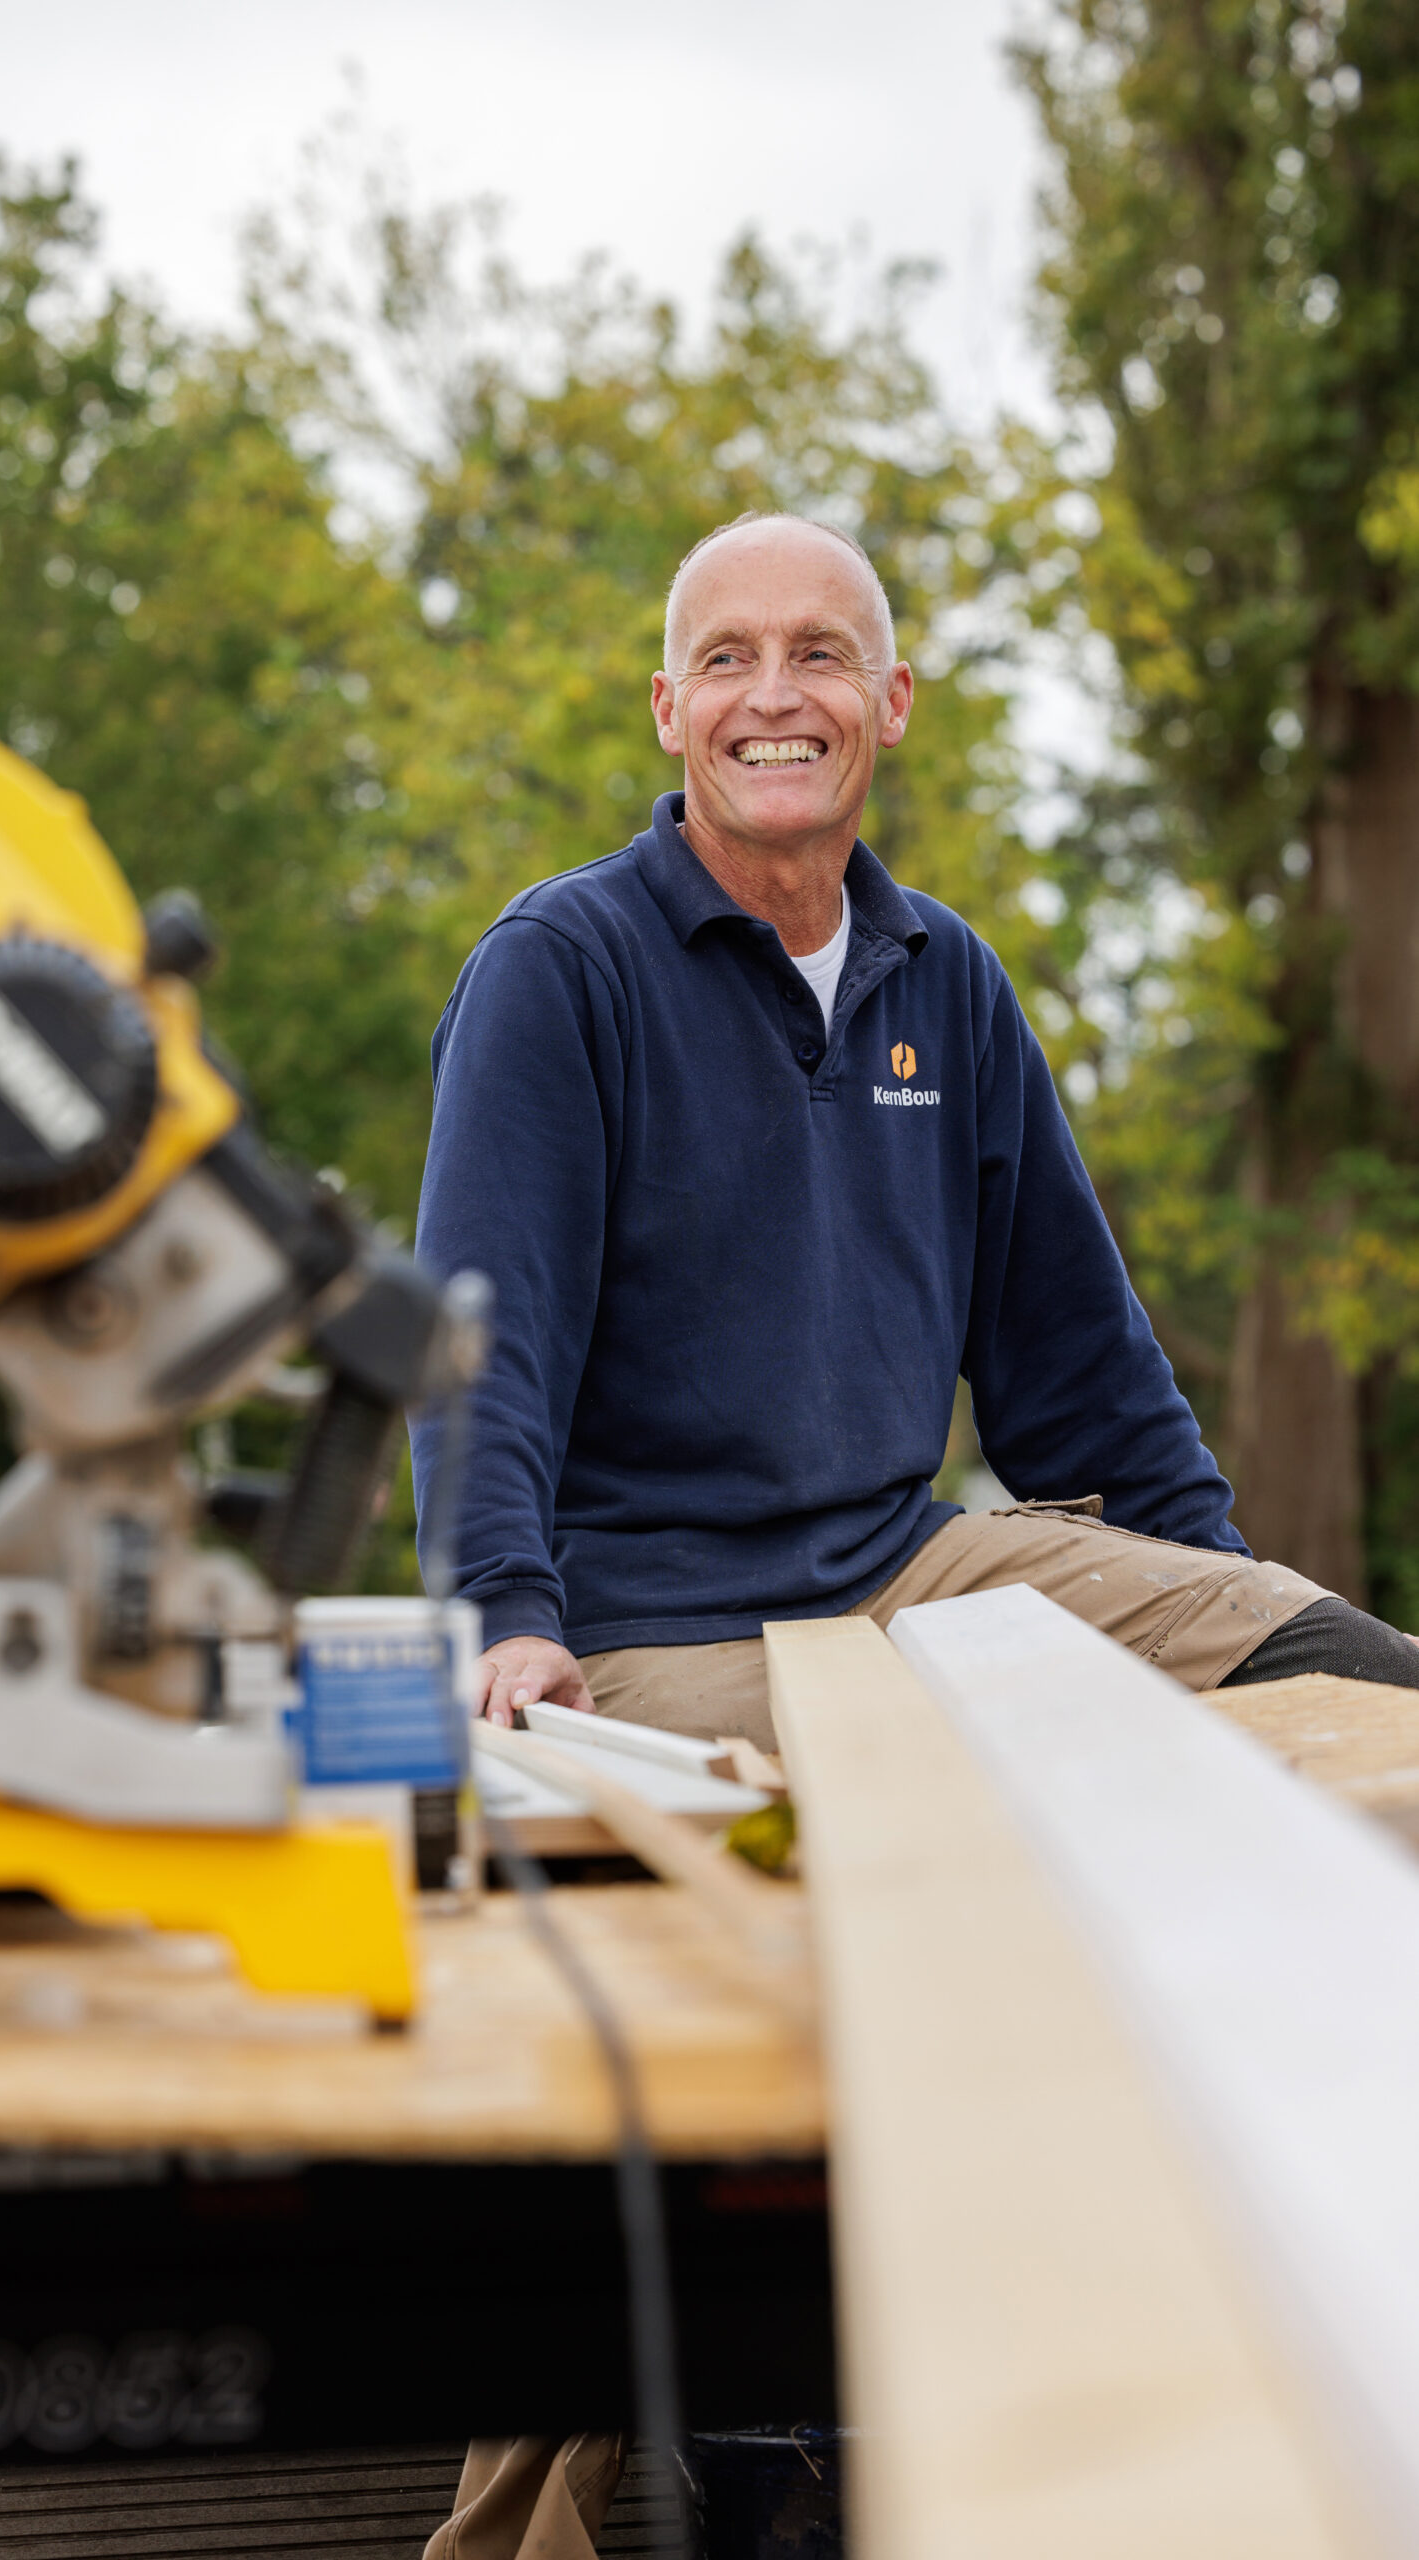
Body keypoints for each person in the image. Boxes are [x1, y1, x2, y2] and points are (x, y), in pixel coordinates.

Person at [411, 510, 1418, 2560]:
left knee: (1344, 1671)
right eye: (728, 656)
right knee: (739, 1966)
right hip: (650, 1609)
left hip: (901, 1563)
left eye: (819, 653)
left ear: (889, 702)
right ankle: (528, 2531)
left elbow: (1082, 1374)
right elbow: (476, 1341)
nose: (772, 693)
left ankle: (1310, 2285)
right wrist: (504, 1610)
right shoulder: (562, 969)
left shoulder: (942, 982)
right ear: (668, 706)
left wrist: (1210, 1611)